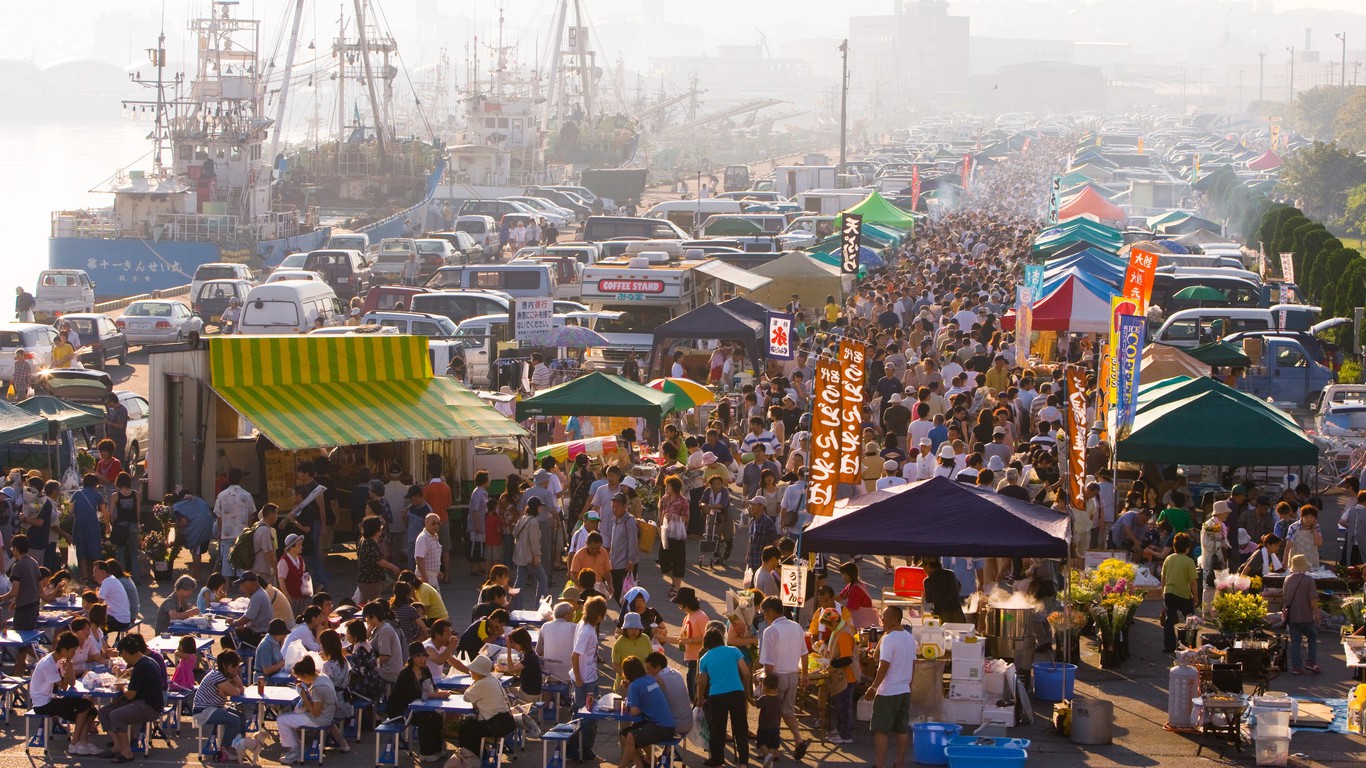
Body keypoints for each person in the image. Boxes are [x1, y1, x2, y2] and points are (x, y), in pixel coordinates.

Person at [31, 630, 102, 756]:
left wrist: (70, 666)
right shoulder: (48, 663)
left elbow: (72, 683)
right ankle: (74, 743)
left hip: (51, 699)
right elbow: (64, 687)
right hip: (42, 703)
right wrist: (69, 667)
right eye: (73, 650)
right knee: (84, 705)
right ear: (64, 649)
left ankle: (83, 743)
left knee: (92, 711)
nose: (74, 653)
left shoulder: (59, 659)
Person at [864, 606, 918, 768]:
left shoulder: (889, 639)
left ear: (895, 619)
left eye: (885, 617)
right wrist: (909, 683)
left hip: (888, 691)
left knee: (881, 730)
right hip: (904, 690)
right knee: (901, 730)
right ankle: (899, 764)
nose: (882, 619)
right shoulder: (909, 638)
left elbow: (883, 665)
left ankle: (880, 764)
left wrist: (873, 688)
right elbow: (913, 664)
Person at [758, 596, 811, 760]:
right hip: (793, 675)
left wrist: (764, 678)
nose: (764, 617)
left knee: (770, 716)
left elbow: (769, 662)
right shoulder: (796, 627)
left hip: (776, 677)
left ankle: (771, 750)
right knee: (788, 711)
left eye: (764, 614)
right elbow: (804, 653)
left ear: (771, 612)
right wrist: (805, 675)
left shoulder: (771, 631)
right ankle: (798, 740)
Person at [98, 634, 165, 763]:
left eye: (122, 654)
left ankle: (127, 751)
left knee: (116, 715)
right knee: (103, 712)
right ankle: (117, 746)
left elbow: (130, 694)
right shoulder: (145, 661)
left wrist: (122, 687)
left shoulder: (142, 666)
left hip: (149, 706)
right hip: (142, 701)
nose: (122, 657)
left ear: (126, 653)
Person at [385, 641, 451, 762]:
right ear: (412, 658)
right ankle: (426, 753)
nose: (422, 659)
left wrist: (440, 692)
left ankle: (436, 749)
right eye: (418, 656)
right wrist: (435, 695)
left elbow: (433, 686)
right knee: (426, 720)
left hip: (418, 707)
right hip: (402, 710)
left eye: (424, 655)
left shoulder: (425, 670)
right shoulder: (406, 674)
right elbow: (412, 695)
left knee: (437, 717)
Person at [695, 629, 750, 768]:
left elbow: (702, 682)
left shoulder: (704, 658)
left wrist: (700, 697)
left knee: (718, 729)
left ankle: (718, 760)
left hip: (717, 695)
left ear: (706, 644)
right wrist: (747, 691)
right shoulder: (734, 651)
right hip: (737, 692)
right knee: (741, 728)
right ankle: (744, 761)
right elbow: (746, 673)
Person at [275, 656, 339, 764]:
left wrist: (304, 695)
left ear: (305, 675)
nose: (299, 680)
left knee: (281, 720)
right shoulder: (322, 676)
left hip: (320, 719)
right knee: (290, 716)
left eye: (300, 677)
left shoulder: (317, 687)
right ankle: (296, 748)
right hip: (328, 714)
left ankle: (295, 752)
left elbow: (315, 713)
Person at [567, 596, 608, 762]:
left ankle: (573, 750)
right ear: (599, 614)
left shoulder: (584, 625)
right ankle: (583, 751)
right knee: (588, 718)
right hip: (585, 681)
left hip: (585, 678)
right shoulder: (588, 631)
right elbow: (575, 656)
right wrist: (579, 679)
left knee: (579, 716)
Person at [618, 655, 676, 768]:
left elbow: (634, 712)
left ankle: (622, 766)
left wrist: (633, 704)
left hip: (661, 727)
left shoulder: (634, 686)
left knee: (631, 736)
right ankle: (640, 764)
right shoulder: (649, 679)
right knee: (624, 735)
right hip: (668, 724)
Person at [190, 649, 248, 760]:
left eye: (237, 665)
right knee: (234, 720)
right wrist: (229, 691)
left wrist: (227, 690)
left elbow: (241, 688)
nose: (236, 668)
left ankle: (238, 747)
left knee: (241, 717)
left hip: (216, 707)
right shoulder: (216, 675)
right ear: (224, 665)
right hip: (203, 710)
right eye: (233, 666)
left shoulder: (228, 672)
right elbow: (236, 692)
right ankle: (225, 748)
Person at [458, 654, 516, 759]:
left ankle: (473, 758)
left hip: (494, 724)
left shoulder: (482, 683)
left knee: (465, 729)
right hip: (504, 720)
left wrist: (474, 682)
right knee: (470, 726)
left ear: (479, 672)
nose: (470, 672)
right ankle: (480, 755)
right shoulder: (493, 679)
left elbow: (466, 697)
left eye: (472, 670)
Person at [1160, 533, 1199, 654]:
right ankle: (1189, 644)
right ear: (1188, 548)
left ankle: (1169, 647)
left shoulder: (1169, 558)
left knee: (1169, 620)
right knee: (1190, 618)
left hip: (1169, 593)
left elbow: (1163, 577)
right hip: (1183, 594)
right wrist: (1196, 597)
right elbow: (1193, 582)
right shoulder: (1189, 561)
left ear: (1174, 546)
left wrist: (1163, 592)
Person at [1283, 553, 1322, 675]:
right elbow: (1313, 598)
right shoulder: (1309, 580)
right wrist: (1316, 612)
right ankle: (1311, 661)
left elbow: (1285, 598)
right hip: (1306, 615)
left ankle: (1296, 667)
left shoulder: (1287, 579)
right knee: (1312, 636)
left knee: (1295, 641)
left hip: (1292, 617)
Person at [213, 468, 255, 577]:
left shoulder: (221, 495)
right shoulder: (247, 495)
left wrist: (219, 532)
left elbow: (219, 516)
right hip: (242, 532)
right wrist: (249, 529)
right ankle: (242, 582)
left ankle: (227, 584)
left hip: (227, 532)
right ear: (240, 478)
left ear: (228, 478)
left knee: (227, 559)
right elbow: (252, 514)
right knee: (242, 558)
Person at [511, 499, 547, 609]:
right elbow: (534, 540)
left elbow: (514, 533)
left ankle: (515, 607)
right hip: (530, 556)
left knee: (519, 582)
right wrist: (536, 555)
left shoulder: (523, 518)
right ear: (536, 507)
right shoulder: (534, 521)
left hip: (520, 555)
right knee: (543, 580)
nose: (541, 508)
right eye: (540, 506)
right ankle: (539, 606)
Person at [612, 613, 654, 695]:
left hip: (643, 682)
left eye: (636, 628)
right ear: (625, 629)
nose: (633, 631)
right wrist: (627, 677)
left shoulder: (646, 639)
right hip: (625, 684)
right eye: (630, 628)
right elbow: (615, 665)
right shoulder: (619, 643)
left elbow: (651, 659)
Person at [230, 572, 273, 646]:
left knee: (228, 639)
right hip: (261, 633)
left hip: (258, 636)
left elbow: (248, 617)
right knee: (235, 633)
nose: (241, 588)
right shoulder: (260, 593)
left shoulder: (257, 596)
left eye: (242, 585)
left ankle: (236, 657)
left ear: (249, 584)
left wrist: (234, 623)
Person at [538, 602, 577, 683]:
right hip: (570, 675)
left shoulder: (545, 626)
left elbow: (539, 651)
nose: (574, 615)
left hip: (550, 674)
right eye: (572, 613)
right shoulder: (574, 627)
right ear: (566, 614)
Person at [921, 558, 966, 624]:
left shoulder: (928, 581)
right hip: (957, 611)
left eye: (923, 567)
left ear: (928, 565)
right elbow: (959, 588)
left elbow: (928, 600)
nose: (923, 569)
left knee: (943, 633)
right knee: (960, 632)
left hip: (941, 613)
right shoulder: (950, 573)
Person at [1283, 505, 1323, 571]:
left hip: (1312, 564)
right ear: (1302, 516)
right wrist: (1285, 562)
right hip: (1296, 565)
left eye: (1311, 517)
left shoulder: (1316, 527)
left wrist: (1314, 530)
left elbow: (1319, 543)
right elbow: (1288, 547)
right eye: (1306, 517)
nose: (1309, 519)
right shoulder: (1293, 527)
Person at [277, 534, 308, 617]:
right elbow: (281, 580)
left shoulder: (301, 560)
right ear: (292, 547)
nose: (301, 547)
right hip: (291, 596)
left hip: (300, 596)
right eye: (299, 545)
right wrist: (287, 595)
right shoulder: (284, 561)